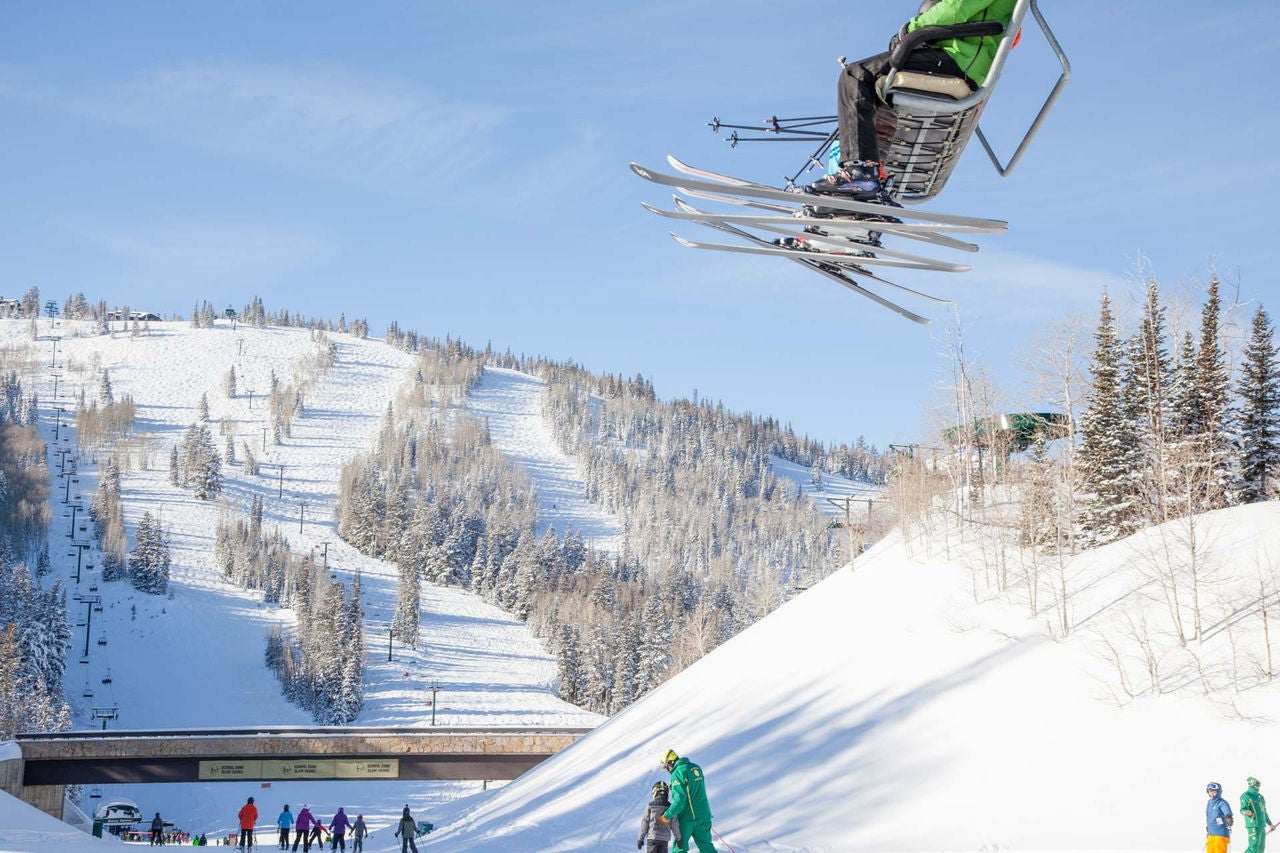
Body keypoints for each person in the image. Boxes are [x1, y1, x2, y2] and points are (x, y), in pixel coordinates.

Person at [806, 0, 1016, 201]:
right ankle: (874, 177)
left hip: (959, 59)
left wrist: (910, 30)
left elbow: (956, 7)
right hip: (962, 57)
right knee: (874, 90)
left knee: (856, 76)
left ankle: (861, 172)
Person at [658, 749, 717, 853]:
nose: (667, 770)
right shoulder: (696, 768)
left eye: (666, 766)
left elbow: (680, 801)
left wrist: (666, 816)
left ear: (670, 762)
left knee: (679, 849)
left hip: (687, 819)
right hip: (703, 815)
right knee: (706, 847)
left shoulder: (677, 774)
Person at [637, 780, 679, 853]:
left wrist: (640, 838)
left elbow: (645, 822)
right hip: (664, 840)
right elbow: (674, 823)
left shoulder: (650, 806)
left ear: (654, 792)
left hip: (652, 838)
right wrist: (678, 838)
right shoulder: (670, 807)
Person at [1242, 777, 1277, 853]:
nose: (1258, 786)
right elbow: (1242, 809)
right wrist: (1246, 812)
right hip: (1253, 825)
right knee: (1253, 847)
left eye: (1259, 784)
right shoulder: (1246, 796)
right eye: (1257, 784)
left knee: (1261, 848)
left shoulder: (1260, 797)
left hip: (1261, 825)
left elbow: (1264, 812)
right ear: (1251, 785)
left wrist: (1270, 824)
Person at [1208, 782, 1234, 853]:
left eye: (1214, 792)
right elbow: (1210, 816)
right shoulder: (1209, 802)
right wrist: (1209, 827)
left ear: (1218, 792)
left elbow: (1227, 811)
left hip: (1220, 834)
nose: (1212, 794)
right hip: (1211, 834)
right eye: (1210, 792)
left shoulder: (1222, 803)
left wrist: (1229, 817)